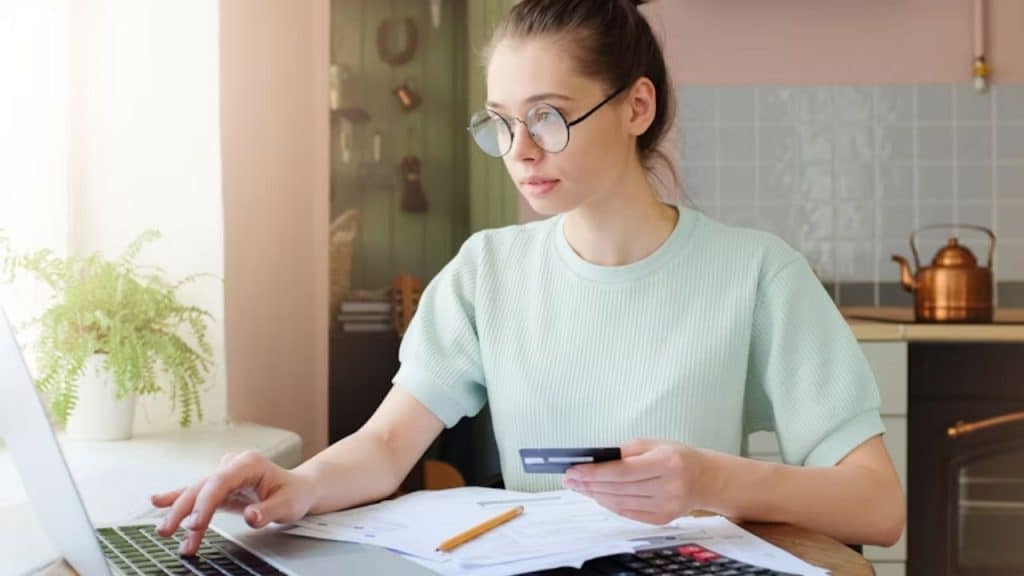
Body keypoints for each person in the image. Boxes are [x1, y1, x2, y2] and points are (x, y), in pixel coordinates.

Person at [153, 0, 905, 556]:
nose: (521, 151)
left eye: (548, 117)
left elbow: (877, 507)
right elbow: (385, 447)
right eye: (502, 123)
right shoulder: (488, 271)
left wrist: (709, 482)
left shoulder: (758, 274)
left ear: (636, 106)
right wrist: (296, 483)